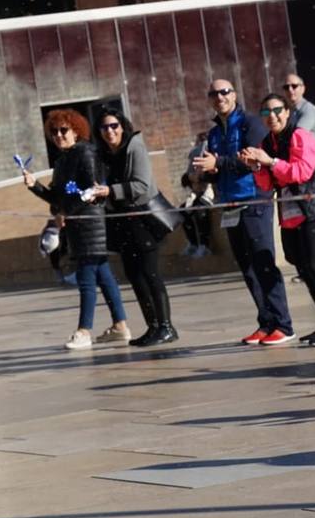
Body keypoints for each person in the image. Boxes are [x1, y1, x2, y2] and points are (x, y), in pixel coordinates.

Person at [193, 78, 293, 344]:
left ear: (234, 95)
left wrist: (220, 162)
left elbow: (251, 161)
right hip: (229, 205)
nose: (219, 97)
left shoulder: (251, 123)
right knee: (247, 268)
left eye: (224, 92)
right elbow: (221, 169)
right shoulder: (214, 133)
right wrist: (209, 172)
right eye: (213, 93)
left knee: (264, 264)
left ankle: (283, 324)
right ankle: (265, 322)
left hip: (253, 200)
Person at [24, 109, 131, 350]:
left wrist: (67, 210)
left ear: (76, 131)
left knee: (86, 277)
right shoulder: (62, 161)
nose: (59, 135)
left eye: (64, 130)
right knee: (103, 275)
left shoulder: (86, 152)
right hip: (76, 222)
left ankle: (84, 331)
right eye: (54, 132)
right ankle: (120, 326)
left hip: (90, 221)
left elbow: (91, 191)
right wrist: (35, 186)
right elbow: (58, 198)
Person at [242, 94, 315, 347]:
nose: (272, 116)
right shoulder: (267, 142)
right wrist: (256, 166)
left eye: (277, 110)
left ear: (287, 112)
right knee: (304, 268)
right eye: (266, 112)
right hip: (291, 213)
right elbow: (267, 184)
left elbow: (302, 172)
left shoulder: (301, 135)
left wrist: (270, 162)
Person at [90, 108, 177, 346]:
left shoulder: (134, 147)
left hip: (143, 221)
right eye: (104, 128)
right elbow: (105, 187)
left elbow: (141, 185)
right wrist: (97, 195)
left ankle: (167, 327)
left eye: (114, 126)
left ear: (123, 126)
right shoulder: (103, 155)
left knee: (150, 274)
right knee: (134, 276)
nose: (110, 132)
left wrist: (110, 191)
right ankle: (153, 327)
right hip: (121, 223)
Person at [180, 132, 214, 258]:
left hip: (210, 193)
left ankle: (204, 245)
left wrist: (200, 177)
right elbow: (187, 178)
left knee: (200, 212)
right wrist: (192, 177)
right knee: (183, 211)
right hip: (198, 193)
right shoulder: (194, 155)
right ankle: (193, 243)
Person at [281, 73, 315, 169]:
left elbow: (296, 136)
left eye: (294, 86)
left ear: (303, 88)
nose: (290, 90)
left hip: (314, 165)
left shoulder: (308, 109)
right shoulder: (292, 111)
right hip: (302, 165)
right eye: (286, 87)